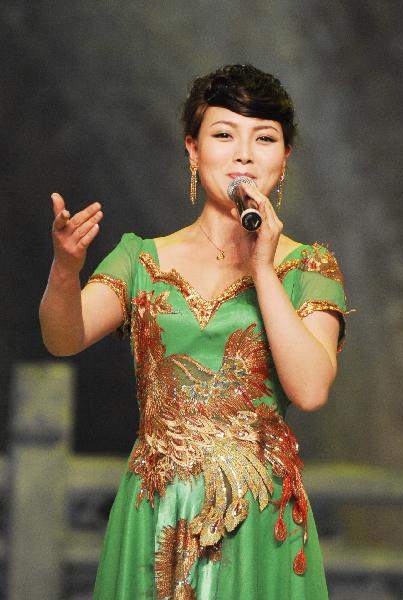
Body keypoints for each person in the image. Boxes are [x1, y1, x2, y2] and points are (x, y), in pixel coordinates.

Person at [40, 64, 348, 599]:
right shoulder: (141, 259)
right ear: (192, 149)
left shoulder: (310, 268)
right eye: (224, 135)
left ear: (285, 158)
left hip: (255, 516)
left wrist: (264, 271)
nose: (244, 154)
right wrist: (66, 270)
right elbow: (63, 337)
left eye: (264, 138)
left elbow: (311, 388)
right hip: (156, 508)